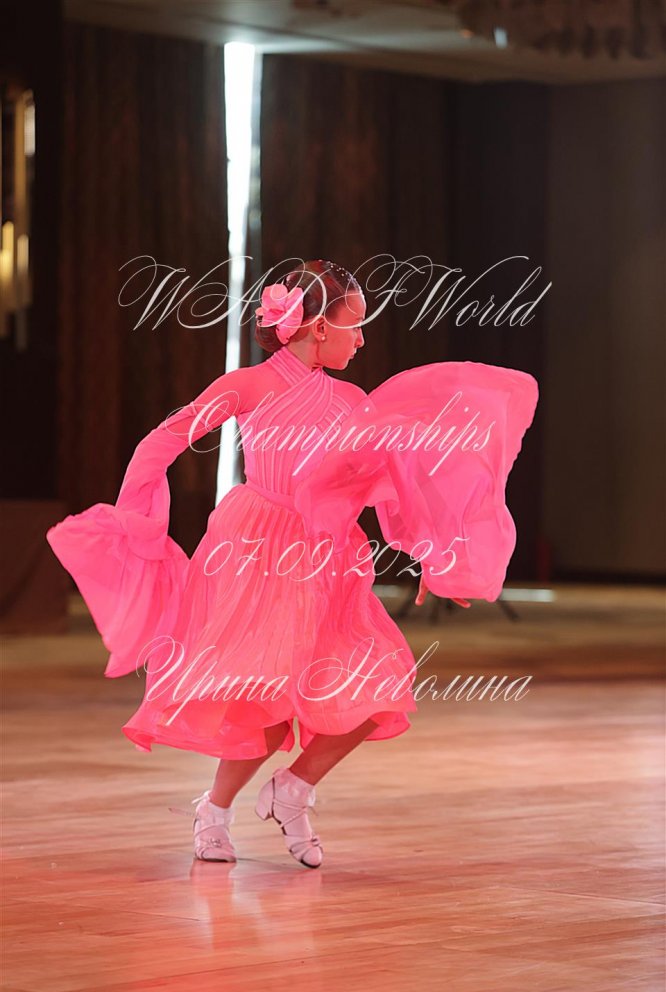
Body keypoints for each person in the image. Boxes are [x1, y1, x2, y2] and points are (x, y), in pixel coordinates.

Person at [46, 259, 538, 870]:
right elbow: (162, 441)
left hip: (329, 556)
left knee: (378, 690)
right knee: (269, 706)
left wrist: (437, 560)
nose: (363, 340)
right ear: (319, 328)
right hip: (257, 548)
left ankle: (295, 788)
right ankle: (214, 811)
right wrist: (135, 519)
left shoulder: (352, 401)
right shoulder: (248, 385)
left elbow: (394, 485)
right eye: (355, 326)